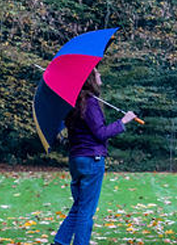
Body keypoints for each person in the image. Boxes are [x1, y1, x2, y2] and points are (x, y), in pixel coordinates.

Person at [52, 68, 137, 245]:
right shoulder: (90, 103)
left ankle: (60, 242)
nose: (100, 77)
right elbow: (100, 133)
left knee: (79, 207)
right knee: (86, 210)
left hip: (76, 159)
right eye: (97, 74)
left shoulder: (74, 104)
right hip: (91, 159)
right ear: (90, 79)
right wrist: (123, 122)